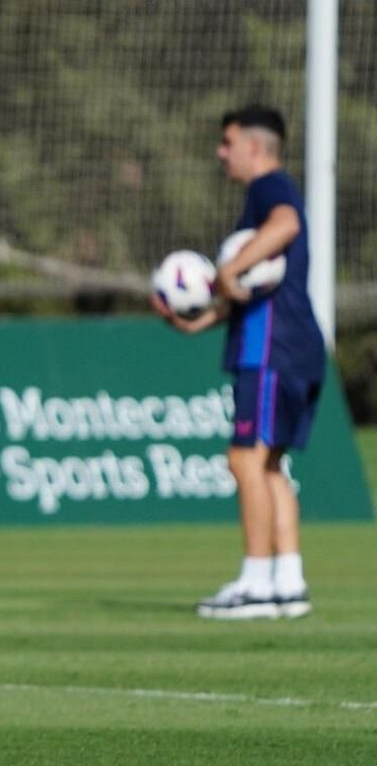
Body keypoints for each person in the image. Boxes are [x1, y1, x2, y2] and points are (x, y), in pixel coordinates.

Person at [152, 104, 324, 620]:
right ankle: (288, 584)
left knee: (245, 458)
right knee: (270, 465)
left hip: (270, 347)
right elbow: (262, 284)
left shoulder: (270, 189)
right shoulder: (271, 192)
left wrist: (229, 267)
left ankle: (254, 583)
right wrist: (205, 316)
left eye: (226, 144)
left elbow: (286, 225)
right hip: (295, 344)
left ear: (254, 146)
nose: (220, 153)